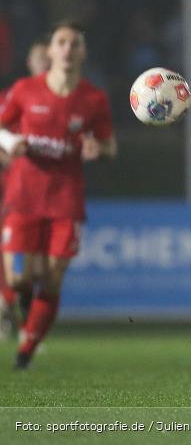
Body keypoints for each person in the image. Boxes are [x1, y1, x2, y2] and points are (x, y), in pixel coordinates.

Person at [0, 21, 116, 368]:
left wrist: (99, 149)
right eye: (61, 42)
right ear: (50, 50)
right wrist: (11, 144)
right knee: (19, 276)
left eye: (74, 43)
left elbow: (110, 145)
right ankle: (21, 300)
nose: (67, 49)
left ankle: (26, 350)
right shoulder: (24, 91)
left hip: (66, 202)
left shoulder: (93, 99)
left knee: (51, 278)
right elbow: (1, 129)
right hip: (23, 198)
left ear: (82, 52)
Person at [0, 40, 51, 340]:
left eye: (49, 59)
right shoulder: (14, 97)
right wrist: (9, 155)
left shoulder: (67, 101)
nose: (46, 64)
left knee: (42, 264)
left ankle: (20, 309)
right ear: (31, 64)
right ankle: (9, 306)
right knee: (13, 253)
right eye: (40, 59)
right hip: (13, 192)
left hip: (47, 193)